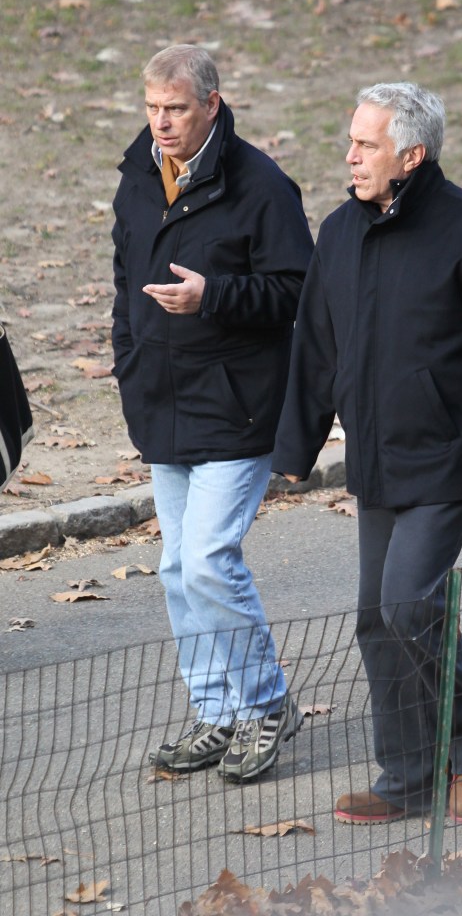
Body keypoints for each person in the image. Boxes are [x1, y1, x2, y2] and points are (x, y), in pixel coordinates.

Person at [272, 82, 462, 823]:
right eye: (351, 141)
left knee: (409, 601)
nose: (349, 156)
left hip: (446, 459)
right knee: (375, 617)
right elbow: (317, 344)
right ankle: (411, 774)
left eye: (366, 144)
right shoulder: (340, 232)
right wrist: (298, 442)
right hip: (377, 459)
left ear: (410, 155)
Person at [111, 45, 313, 782]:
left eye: (176, 109)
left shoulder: (261, 186)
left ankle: (265, 705)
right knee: (174, 568)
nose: (160, 123)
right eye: (152, 107)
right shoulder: (139, 177)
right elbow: (121, 276)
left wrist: (214, 296)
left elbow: (299, 291)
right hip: (162, 402)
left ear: (212, 105)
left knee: (208, 561)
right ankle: (216, 713)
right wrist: (128, 358)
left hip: (237, 407)